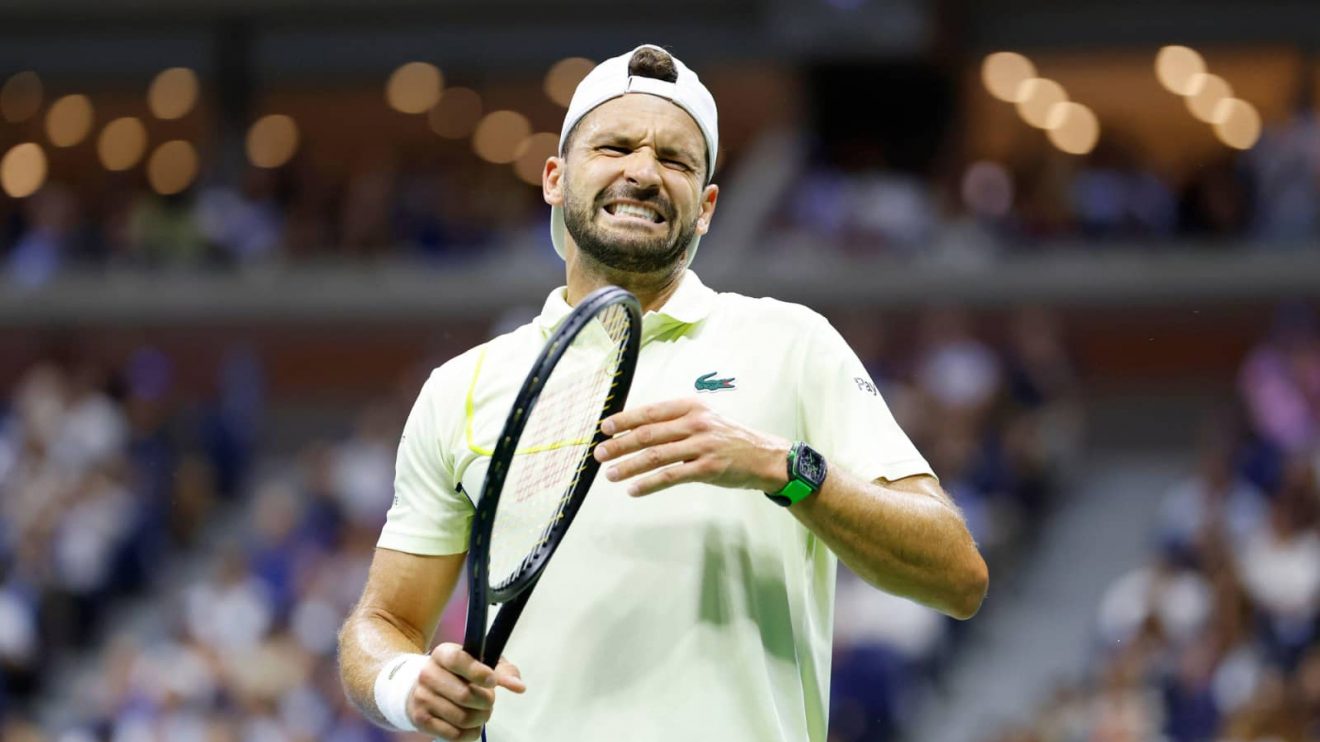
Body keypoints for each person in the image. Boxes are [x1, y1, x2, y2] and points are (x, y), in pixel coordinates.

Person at [338, 44, 988, 742]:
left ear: (706, 207)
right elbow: (383, 625)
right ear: (554, 178)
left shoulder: (794, 344)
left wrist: (782, 468)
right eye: (614, 146)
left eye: (675, 160)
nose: (643, 172)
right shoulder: (462, 388)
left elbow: (956, 574)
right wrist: (408, 686)